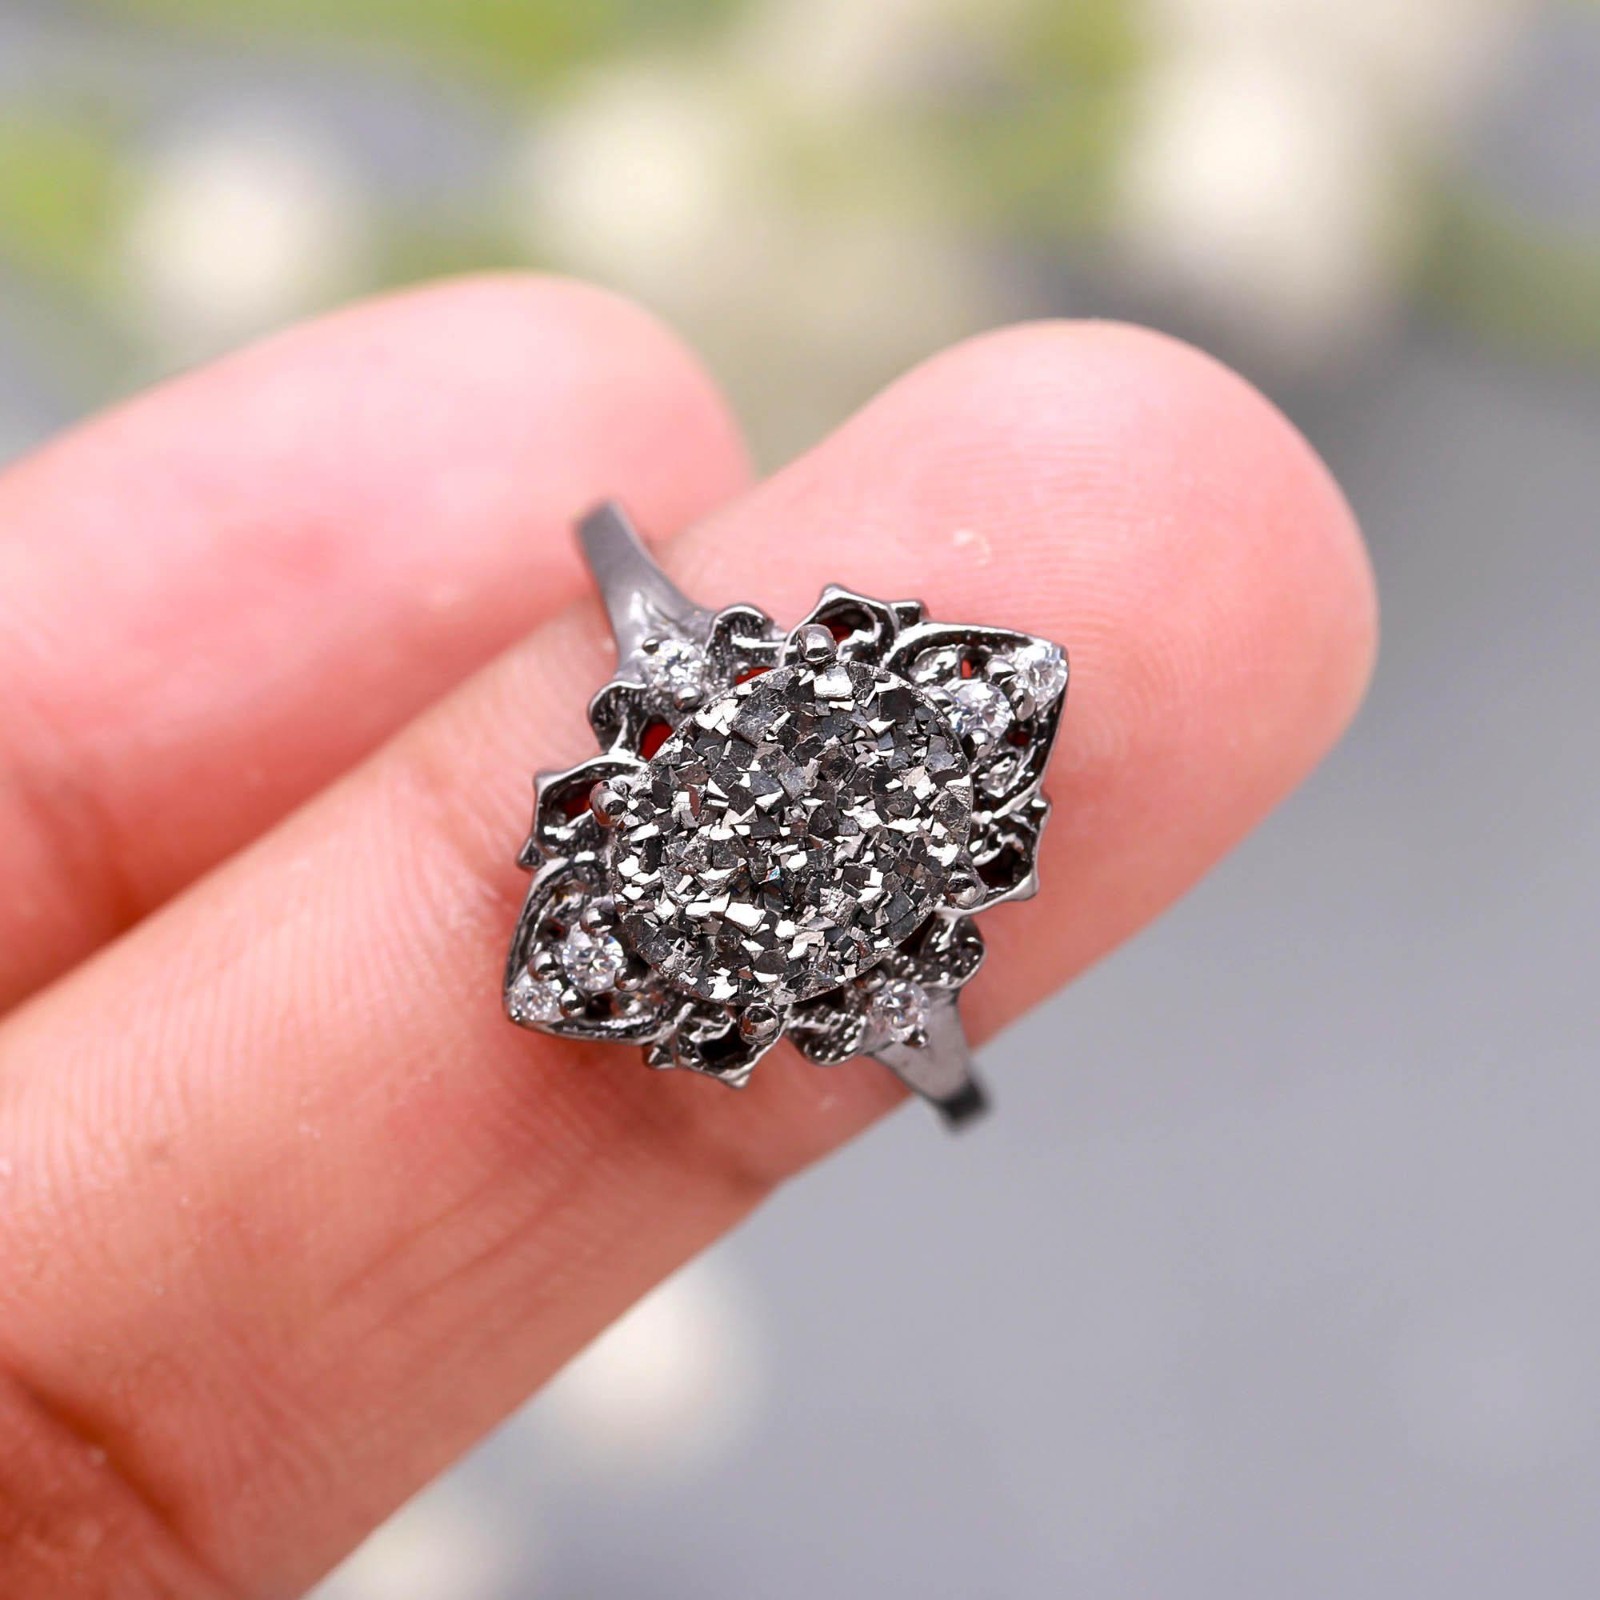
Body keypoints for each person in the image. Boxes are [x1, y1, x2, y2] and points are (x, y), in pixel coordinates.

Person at [0, 275, 1376, 1596]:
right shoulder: (664, 879)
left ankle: (946, 1078)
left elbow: (1018, 684)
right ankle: (944, 1079)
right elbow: (563, 975)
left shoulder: (924, 743)